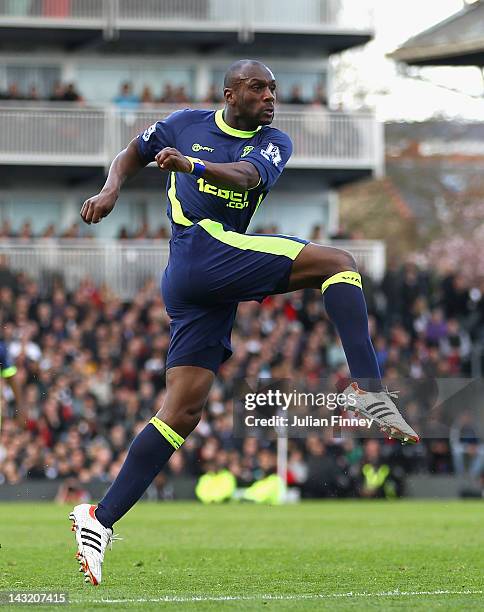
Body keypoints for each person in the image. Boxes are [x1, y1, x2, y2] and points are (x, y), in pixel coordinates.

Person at [69, 59, 419, 586]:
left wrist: (193, 168)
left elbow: (247, 176)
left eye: (274, 89)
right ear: (229, 93)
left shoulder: (274, 141)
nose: (270, 96)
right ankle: (370, 391)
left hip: (208, 274)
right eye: (258, 88)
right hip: (200, 253)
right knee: (340, 264)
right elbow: (130, 153)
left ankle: (99, 518)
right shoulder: (185, 122)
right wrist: (112, 187)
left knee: (182, 412)